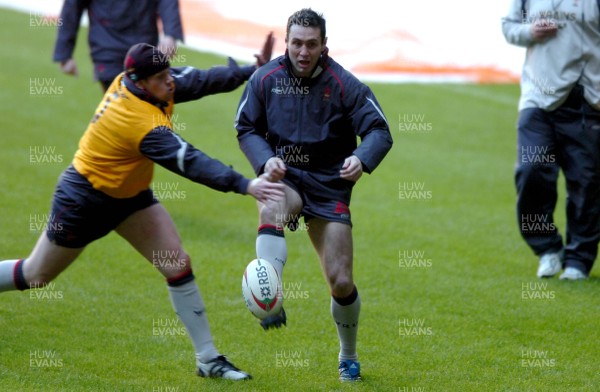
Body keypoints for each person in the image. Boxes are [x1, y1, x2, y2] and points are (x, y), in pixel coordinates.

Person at [0, 38, 282, 381]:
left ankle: (208, 360)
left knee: (177, 264)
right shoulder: (138, 121)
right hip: (84, 200)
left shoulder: (145, 82)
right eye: (162, 77)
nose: (170, 81)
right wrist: (246, 184)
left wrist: (251, 71)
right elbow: (189, 161)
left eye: (168, 73)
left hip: (129, 197)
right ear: (141, 81)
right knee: (36, 275)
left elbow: (198, 80)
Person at [234, 8, 393, 382]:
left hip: (329, 182)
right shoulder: (266, 79)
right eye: (296, 44)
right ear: (286, 43)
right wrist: (265, 160)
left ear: (324, 46)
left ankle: (348, 355)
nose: (303, 52)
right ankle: (270, 297)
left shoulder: (344, 84)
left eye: (311, 44)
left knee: (340, 280)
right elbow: (245, 126)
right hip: (285, 173)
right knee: (271, 201)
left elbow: (380, 131)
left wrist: (361, 158)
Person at [502, 0, 600, 280]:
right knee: (531, 170)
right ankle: (547, 248)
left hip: (587, 98)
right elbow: (509, 28)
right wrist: (531, 31)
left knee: (586, 181)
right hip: (538, 97)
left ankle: (579, 259)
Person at [53, 0, 184, 91]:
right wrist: (64, 53)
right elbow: (73, 6)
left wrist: (170, 35)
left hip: (144, 49)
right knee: (122, 110)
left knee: (147, 110)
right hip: (108, 50)